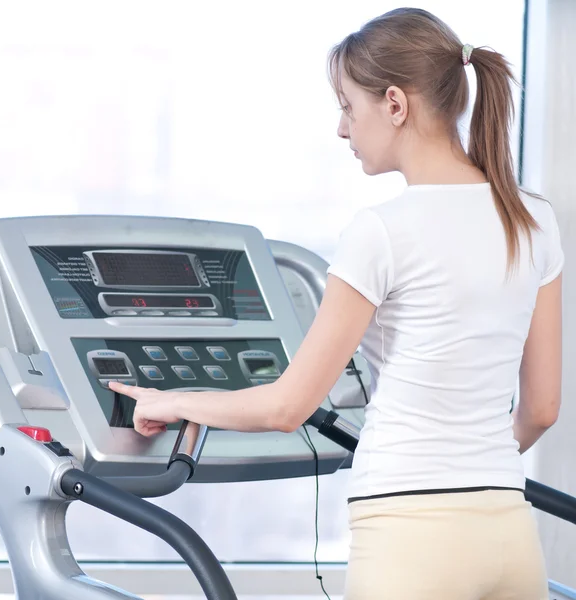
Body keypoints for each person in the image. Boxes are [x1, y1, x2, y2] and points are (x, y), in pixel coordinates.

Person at [109, 7, 563, 599]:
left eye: (349, 107)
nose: (343, 130)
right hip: (505, 527)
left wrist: (172, 400)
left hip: (410, 536)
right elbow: (543, 410)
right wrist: (471, 472)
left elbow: (286, 408)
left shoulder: (382, 231)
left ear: (395, 105)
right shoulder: (533, 220)